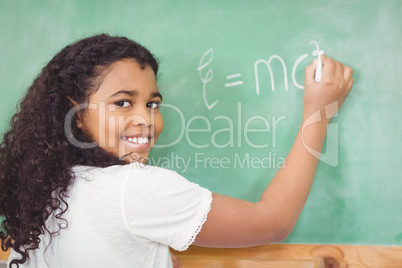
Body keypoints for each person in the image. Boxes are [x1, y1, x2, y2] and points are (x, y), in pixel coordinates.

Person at [0, 34, 353, 268]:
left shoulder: (41, 190)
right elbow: (274, 222)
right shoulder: (134, 188)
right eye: (123, 103)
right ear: (74, 115)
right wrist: (318, 112)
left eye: (153, 104)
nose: (146, 119)